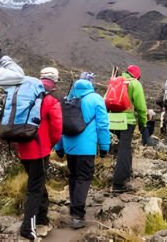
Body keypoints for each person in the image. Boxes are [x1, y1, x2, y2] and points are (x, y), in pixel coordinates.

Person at [54, 78, 110, 229]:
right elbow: (103, 125)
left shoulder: (67, 99)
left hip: (69, 147)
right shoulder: (96, 99)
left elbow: (59, 125)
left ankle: (74, 206)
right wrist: (104, 146)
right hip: (87, 148)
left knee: (74, 176)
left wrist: (58, 147)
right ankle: (77, 215)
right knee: (83, 178)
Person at [16, 67, 63, 240]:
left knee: (37, 182)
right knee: (35, 189)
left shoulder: (26, 95)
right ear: (54, 81)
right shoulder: (51, 100)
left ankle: (42, 217)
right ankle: (28, 227)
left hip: (23, 147)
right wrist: (52, 144)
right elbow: (57, 128)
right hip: (40, 150)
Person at [111, 65, 147, 193]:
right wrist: (143, 123)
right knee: (124, 149)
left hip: (111, 120)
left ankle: (125, 172)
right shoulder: (135, 84)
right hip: (127, 121)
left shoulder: (116, 81)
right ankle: (119, 183)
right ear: (137, 75)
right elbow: (141, 107)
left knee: (120, 148)